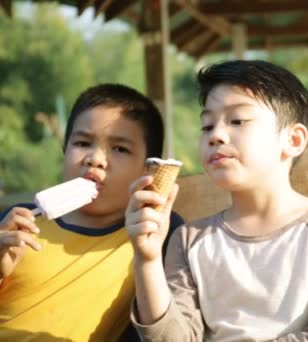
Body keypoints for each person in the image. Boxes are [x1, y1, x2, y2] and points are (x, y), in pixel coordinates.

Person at [126, 60, 308, 341]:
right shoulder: (188, 240)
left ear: (293, 139)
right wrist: (147, 259)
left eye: (237, 120)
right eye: (206, 126)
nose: (216, 135)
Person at [0, 84, 184, 341]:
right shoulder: (17, 223)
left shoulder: (153, 232)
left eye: (120, 148)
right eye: (82, 143)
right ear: (64, 151)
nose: (95, 158)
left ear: (147, 169)